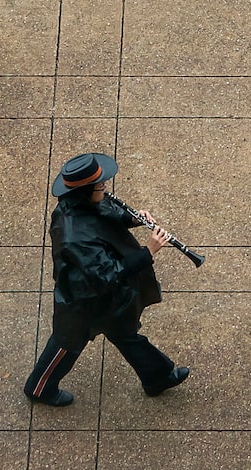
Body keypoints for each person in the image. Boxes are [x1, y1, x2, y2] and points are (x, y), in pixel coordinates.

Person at [24, 150, 190, 406]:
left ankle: (157, 377)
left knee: (126, 333)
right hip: (83, 301)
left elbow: (106, 211)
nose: (105, 188)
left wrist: (131, 218)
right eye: (100, 185)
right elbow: (104, 274)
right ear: (85, 191)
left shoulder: (85, 202)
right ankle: (39, 387)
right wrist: (148, 251)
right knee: (65, 344)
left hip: (109, 299)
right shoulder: (73, 234)